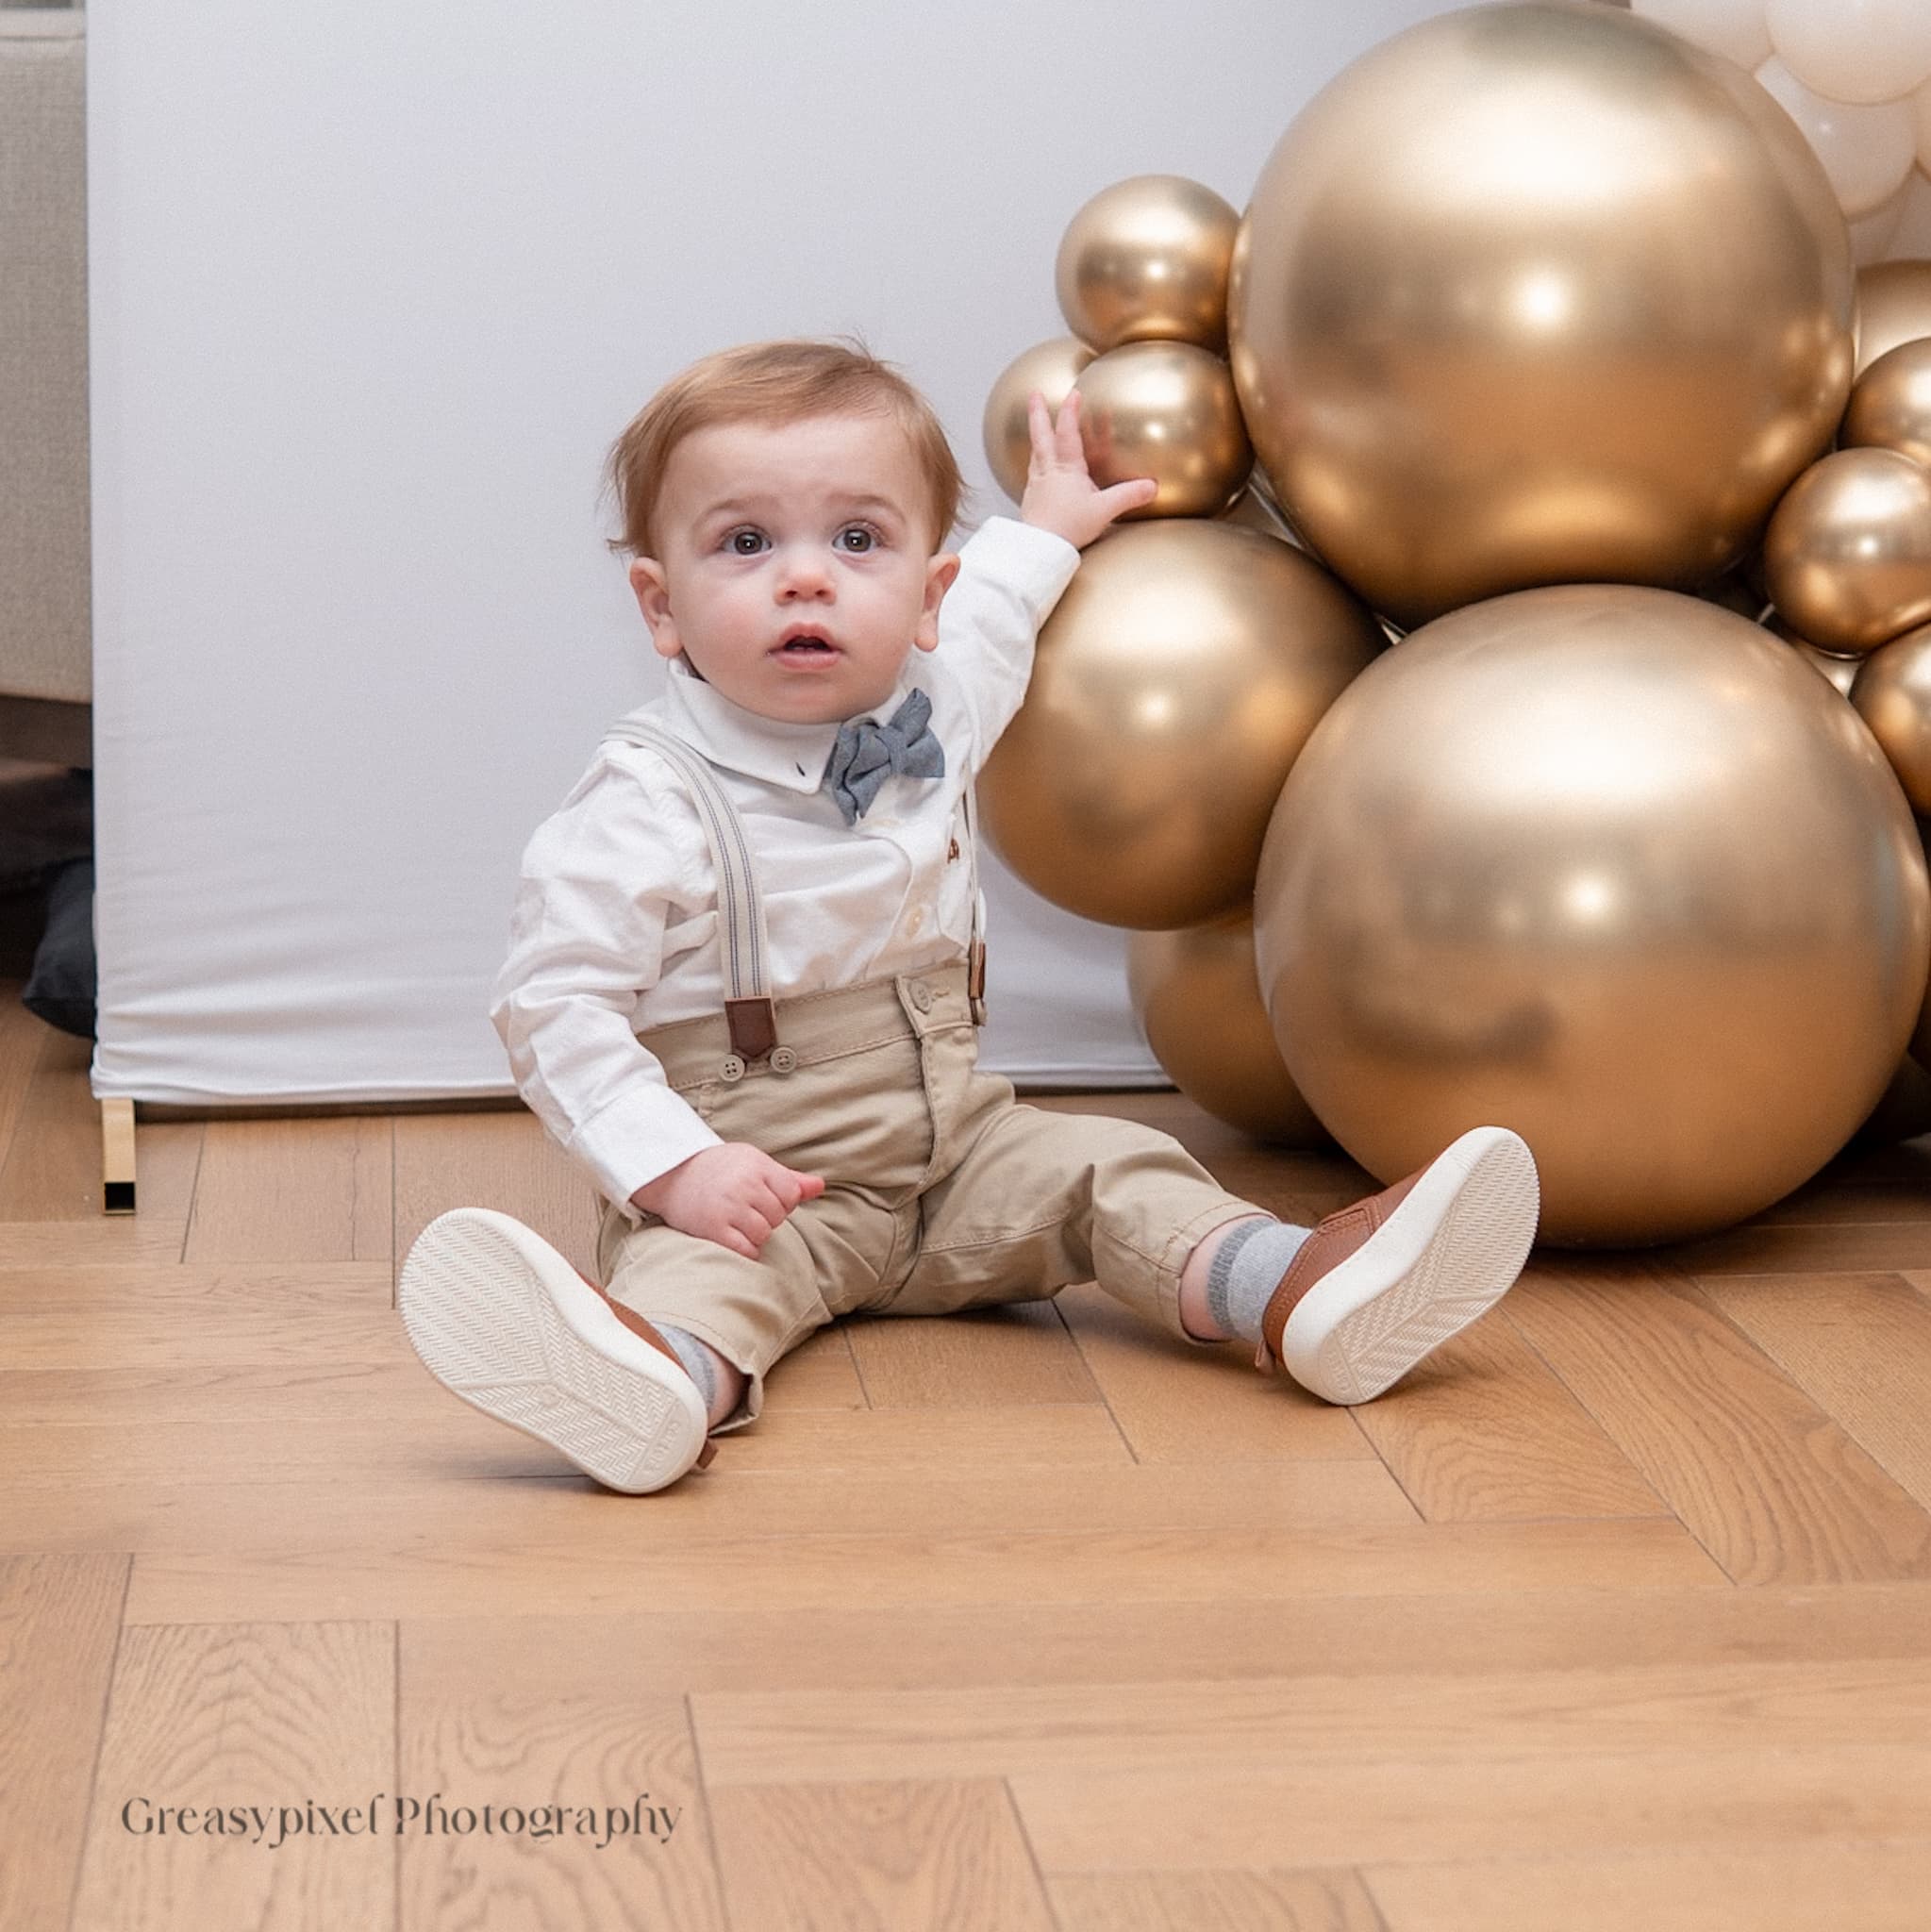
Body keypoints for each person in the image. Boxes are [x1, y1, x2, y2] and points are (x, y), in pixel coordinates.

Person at [398, 339, 1540, 1494]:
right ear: (661, 605)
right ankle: (657, 1381)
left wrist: (1049, 522)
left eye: (858, 540)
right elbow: (552, 1000)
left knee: (1112, 1167)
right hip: (763, 1189)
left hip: (958, 1156)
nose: (806, 578)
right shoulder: (643, 803)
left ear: (926, 594)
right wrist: (676, 1168)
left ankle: (1294, 1291)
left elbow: (997, 606)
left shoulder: (939, 702)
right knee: (700, 1279)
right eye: (746, 543)